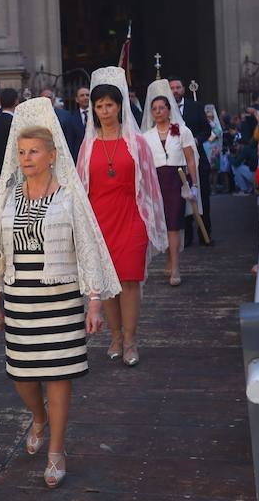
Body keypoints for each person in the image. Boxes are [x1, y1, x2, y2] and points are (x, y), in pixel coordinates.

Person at [0, 97, 120, 488]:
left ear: (51, 155)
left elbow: (88, 248)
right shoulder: (8, 197)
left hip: (60, 297)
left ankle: (56, 449)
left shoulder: (68, 197)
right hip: (21, 295)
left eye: (33, 152)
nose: (26, 158)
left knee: (59, 375)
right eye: (21, 152)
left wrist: (93, 300)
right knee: (22, 375)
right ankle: (39, 417)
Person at [77, 67, 168, 366]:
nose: (104, 111)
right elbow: (80, 189)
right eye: (99, 106)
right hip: (100, 221)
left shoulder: (137, 143)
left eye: (109, 105)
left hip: (131, 217)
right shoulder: (88, 146)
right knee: (105, 284)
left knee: (129, 282)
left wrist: (151, 221)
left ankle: (130, 341)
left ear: (120, 107)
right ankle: (114, 337)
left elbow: (151, 187)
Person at [141, 84, 198, 287]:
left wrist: (194, 185)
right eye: (154, 109)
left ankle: (175, 266)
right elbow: (143, 164)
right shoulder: (146, 136)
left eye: (161, 108)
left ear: (169, 110)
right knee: (162, 224)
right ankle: (168, 257)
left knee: (174, 224)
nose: (158, 112)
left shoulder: (182, 131)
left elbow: (190, 159)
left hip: (176, 179)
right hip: (155, 182)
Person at [167, 77, 212, 245]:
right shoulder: (166, 109)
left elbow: (206, 130)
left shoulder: (196, 107)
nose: (175, 91)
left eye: (178, 87)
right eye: (172, 88)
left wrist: (196, 141)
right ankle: (186, 236)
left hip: (198, 158)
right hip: (177, 160)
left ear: (183, 89)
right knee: (180, 199)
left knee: (203, 196)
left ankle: (205, 234)